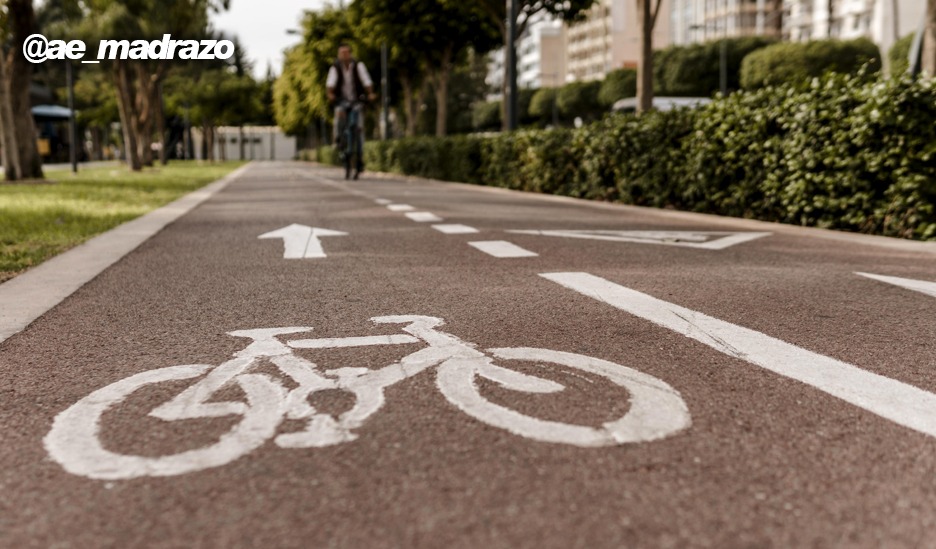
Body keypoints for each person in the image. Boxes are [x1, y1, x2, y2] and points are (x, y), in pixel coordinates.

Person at [326, 44, 377, 173]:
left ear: (350, 53)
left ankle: (360, 157)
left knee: (359, 127)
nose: (344, 55)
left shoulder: (358, 65)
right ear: (338, 55)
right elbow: (330, 84)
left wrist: (370, 93)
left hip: (357, 100)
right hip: (342, 101)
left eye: (346, 52)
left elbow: (367, 80)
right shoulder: (335, 68)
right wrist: (331, 95)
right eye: (341, 53)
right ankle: (338, 140)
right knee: (339, 115)